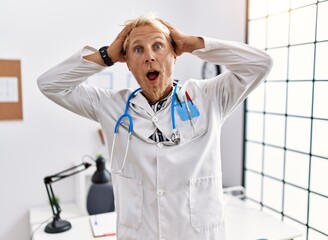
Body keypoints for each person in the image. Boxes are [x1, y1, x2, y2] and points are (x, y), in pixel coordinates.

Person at [37, 13, 272, 240]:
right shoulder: (111, 107)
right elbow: (50, 85)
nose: (149, 56)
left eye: (158, 46)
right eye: (138, 49)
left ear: (174, 54)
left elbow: (261, 64)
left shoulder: (209, 97)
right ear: (127, 63)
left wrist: (192, 44)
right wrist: (107, 55)